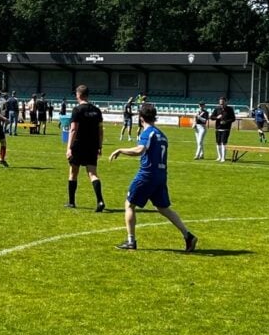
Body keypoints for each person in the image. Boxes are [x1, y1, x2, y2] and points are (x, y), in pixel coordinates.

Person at [110, 103, 197, 252]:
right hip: (161, 175)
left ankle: (131, 241)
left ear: (141, 118)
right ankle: (188, 235)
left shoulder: (148, 133)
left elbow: (140, 150)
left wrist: (120, 150)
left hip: (147, 175)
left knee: (129, 204)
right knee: (163, 208)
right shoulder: (162, 135)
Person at [65, 84, 106, 211]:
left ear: (78, 95)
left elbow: (73, 129)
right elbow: (100, 131)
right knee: (93, 174)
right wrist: (99, 146)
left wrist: (69, 147)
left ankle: (71, 202)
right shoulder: (96, 110)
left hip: (78, 145)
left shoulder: (77, 110)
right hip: (92, 145)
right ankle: (100, 201)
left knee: (73, 173)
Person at [211, 96, 236, 162]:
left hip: (226, 129)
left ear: (226, 102)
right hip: (218, 128)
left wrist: (226, 122)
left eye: (222, 103)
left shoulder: (230, 109)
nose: (221, 104)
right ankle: (219, 157)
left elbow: (233, 119)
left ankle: (223, 158)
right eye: (220, 103)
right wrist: (217, 117)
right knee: (218, 143)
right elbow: (211, 117)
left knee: (224, 143)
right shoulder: (217, 109)